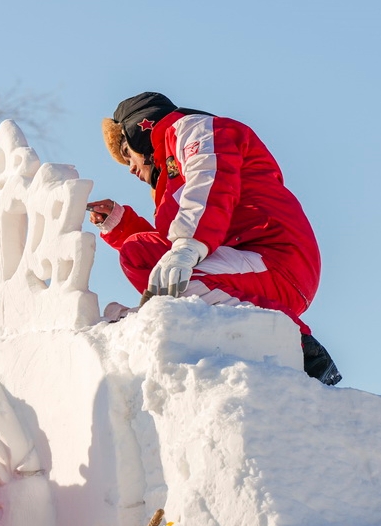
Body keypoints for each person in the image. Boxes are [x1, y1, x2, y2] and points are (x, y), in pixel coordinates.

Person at [88, 91, 341, 385]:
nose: (130, 168)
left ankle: (301, 348)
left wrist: (186, 246)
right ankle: (234, 342)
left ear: (138, 131)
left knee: (164, 276)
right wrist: (121, 225)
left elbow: (210, 182)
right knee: (145, 257)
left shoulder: (193, 129)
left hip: (275, 257)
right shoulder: (171, 183)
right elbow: (164, 248)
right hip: (242, 264)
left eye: (127, 154)